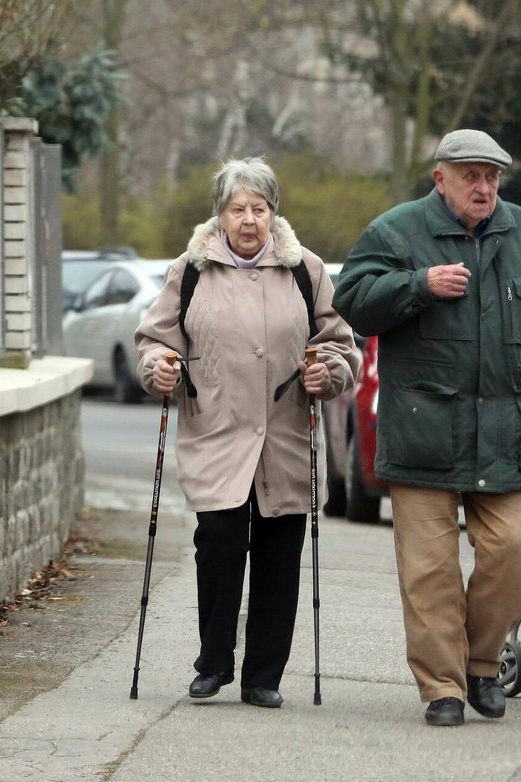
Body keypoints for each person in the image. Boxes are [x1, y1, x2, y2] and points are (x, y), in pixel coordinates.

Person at [333, 129, 521, 727]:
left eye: (492, 177)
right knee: (429, 570)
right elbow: (351, 300)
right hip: (424, 428)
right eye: (471, 176)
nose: (484, 187)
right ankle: (443, 687)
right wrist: (418, 285)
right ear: (441, 179)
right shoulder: (396, 231)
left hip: (505, 430)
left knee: (517, 552)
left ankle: (482, 662)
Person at [134, 157, 360, 708]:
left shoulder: (305, 271)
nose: (249, 220)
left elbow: (340, 343)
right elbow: (153, 341)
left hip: (285, 438)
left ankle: (264, 676)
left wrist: (327, 370)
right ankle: (213, 663)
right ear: (220, 215)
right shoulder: (190, 271)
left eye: (259, 208)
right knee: (220, 543)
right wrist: (159, 367)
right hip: (217, 433)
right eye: (238, 209)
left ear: (273, 213)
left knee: (281, 556)